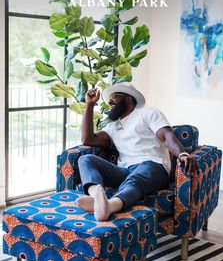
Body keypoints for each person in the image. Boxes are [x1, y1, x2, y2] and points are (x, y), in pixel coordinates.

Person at [76, 83, 197, 221]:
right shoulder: (112, 127)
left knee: (135, 179)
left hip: (153, 166)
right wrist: (90, 105)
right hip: (125, 170)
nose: (109, 102)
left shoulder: (147, 113)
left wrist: (182, 153)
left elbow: (166, 136)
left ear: (128, 98)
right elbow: (88, 139)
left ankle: (110, 206)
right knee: (85, 160)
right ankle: (96, 197)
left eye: (114, 97)